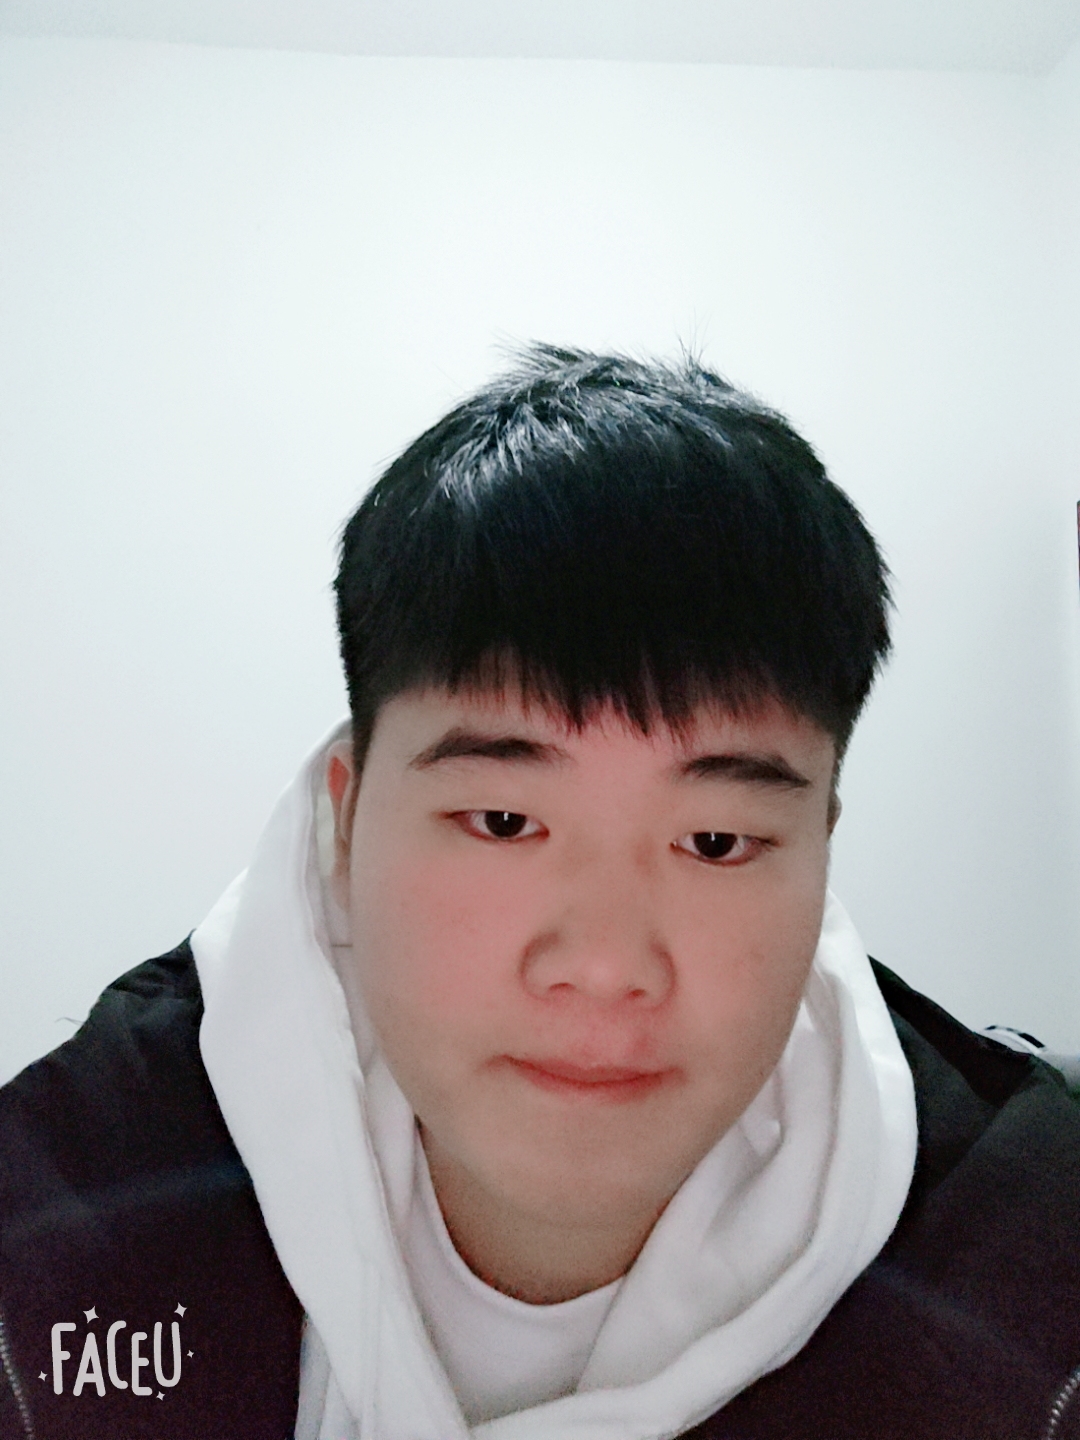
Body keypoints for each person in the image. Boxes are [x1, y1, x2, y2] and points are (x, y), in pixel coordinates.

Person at [1, 346, 1078, 1440]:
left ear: (821, 844)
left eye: (713, 841)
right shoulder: (59, 1211)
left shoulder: (1035, 1274)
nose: (604, 964)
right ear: (345, 820)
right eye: (506, 822)